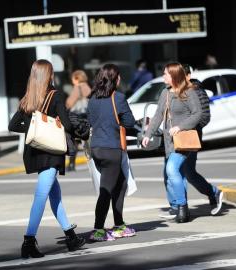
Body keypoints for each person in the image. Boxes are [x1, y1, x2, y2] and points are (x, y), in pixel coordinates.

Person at [8, 60, 85, 258]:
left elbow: (13, 125)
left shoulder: (28, 98)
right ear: (48, 75)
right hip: (51, 152)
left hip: (34, 151)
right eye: (51, 73)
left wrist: (34, 127)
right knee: (41, 196)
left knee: (54, 195)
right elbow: (67, 125)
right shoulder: (55, 95)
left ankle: (71, 236)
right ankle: (28, 241)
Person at [160, 64, 223, 219]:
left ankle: (212, 193)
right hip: (173, 139)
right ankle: (179, 207)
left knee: (185, 172)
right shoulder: (169, 92)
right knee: (175, 172)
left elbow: (203, 116)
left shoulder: (195, 91)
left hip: (188, 139)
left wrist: (187, 129)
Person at [142, 62, 202, 223]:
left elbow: (197, 114)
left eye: (165, 74)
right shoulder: (165, 93)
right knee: (175, 175)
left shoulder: (189, 92)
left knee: (171, 169)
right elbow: (157, 116)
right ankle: (179, 208)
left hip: (183, 141)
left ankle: (182, 207)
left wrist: (180, 127)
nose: (163, 76)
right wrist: (148, 134)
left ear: (174, 76)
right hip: (169, 142)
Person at [87, 63, 136, 241]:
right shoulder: (119, 98)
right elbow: (129, 123)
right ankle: (98, 229)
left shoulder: (92, 99)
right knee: (106, 190)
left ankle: (119, 224)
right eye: (119, 76)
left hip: (97, 149)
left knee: (120, 184)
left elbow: (91, 122)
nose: (120, 79)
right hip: (111, 149)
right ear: (115, 79)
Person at [65, 70, 91, 171]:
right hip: (86, 117)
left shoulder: (78, 87)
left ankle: (71, 164)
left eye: (73, 78)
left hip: (77, 118)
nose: (72, 81)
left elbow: (70, 102)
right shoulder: (87, 87)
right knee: (87, 140)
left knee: (73, 141)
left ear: (77, 78)